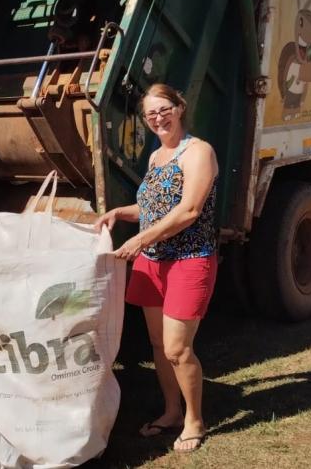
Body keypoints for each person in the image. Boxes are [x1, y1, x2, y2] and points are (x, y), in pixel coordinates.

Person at [94, 84, 218, 454]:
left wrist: (141, 240)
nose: (158, 118)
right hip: (153, 263)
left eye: (164, 109)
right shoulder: (156, 156)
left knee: (179, 348)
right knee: (159, 345)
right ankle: (172, 412)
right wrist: (121, 213)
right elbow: (150, 208)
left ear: (179, 108)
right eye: (150, 114)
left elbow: (190, 210)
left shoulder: (198, 152)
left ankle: (195, 421)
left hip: (189, 259)